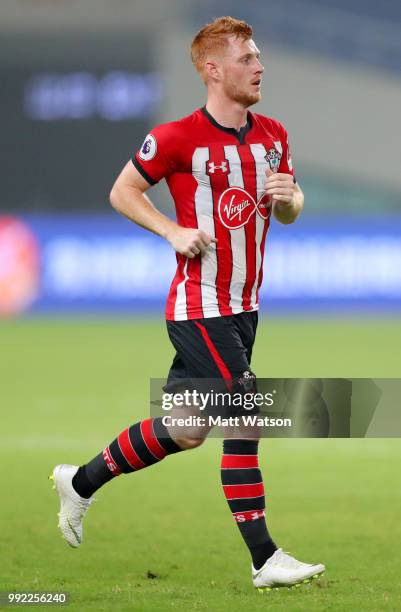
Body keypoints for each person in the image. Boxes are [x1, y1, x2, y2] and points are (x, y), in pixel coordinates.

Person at [50, 16, 325, 591]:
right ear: (213, 69)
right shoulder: (176, 138)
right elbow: (122, 191)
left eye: (258, 56)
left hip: (245, 307)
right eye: (247, 58)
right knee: (247, 411)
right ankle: (264, 557)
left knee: (187, 428)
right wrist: (172, 232)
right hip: (199, 306)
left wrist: (292, 197)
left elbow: (288, 211)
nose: (259, 66)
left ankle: (79, 481)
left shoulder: (273, 133)